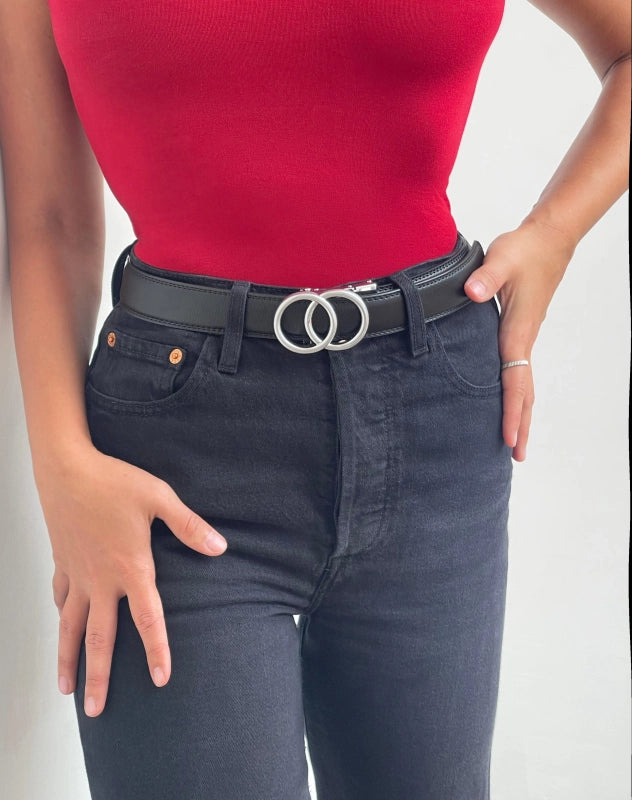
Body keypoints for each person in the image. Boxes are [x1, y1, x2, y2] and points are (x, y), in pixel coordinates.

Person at [0, 1, 629, 798]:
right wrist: (60, 463)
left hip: (437, 420)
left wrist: (554, 236)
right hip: (171, 465)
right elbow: (49, 218)